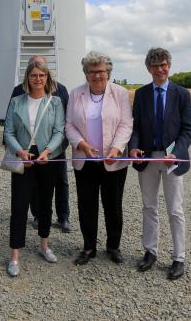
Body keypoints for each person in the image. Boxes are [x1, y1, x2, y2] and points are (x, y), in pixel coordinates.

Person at [129, 47, 191, 280]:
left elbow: (188, 130)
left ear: (169, 66)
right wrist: (133, 147)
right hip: (147, 158)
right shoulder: (142, 94)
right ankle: (150, 251)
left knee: (175, 209)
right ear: (149, 69)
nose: (160, 69)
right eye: (155, 66)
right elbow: (135, 126)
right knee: (149, 206)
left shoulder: (182, 94)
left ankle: (179, 258)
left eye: (163, 65)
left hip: (172, 161)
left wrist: (176, 152)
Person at [65, 51, 133, 265]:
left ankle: (113, 246)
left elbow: (126, 123)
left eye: (101, 71)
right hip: (85, 161)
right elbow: (69, 125)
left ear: (108, 72)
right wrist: (81, 144)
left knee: (113, 204)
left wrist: (117, 147)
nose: (97, 75)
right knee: (87, 205)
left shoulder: (120, 93)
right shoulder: (76, 94)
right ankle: (88, 247)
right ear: (86, 74)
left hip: (113, 161)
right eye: (92, 72)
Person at [4, 60, 65, 277]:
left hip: (46, 159)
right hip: (23, 157)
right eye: (33, 75)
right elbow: (8, 131)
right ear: (27, 79)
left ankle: (44, 245)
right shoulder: (17, 102)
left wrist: (48, 150)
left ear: (47, 78)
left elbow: (59, 131)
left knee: (45, 204)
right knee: (19, 207)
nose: (38, 79)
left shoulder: (55, 102)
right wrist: (19, 151)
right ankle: (15, 255)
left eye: (42, 75)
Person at [9, 55, 72, 233]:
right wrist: (10, 145)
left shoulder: (60, 90)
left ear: (46, 72)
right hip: (28, 147)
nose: (37, 77)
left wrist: (59, 145)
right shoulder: (18, 91)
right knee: (33, 183)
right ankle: (38, 214)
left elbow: (65, 120)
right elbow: (10, 119)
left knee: (61, 182)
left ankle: (63, 216)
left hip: (55, 147)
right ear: (28, 73)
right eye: (33, 70)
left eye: (41, 71)